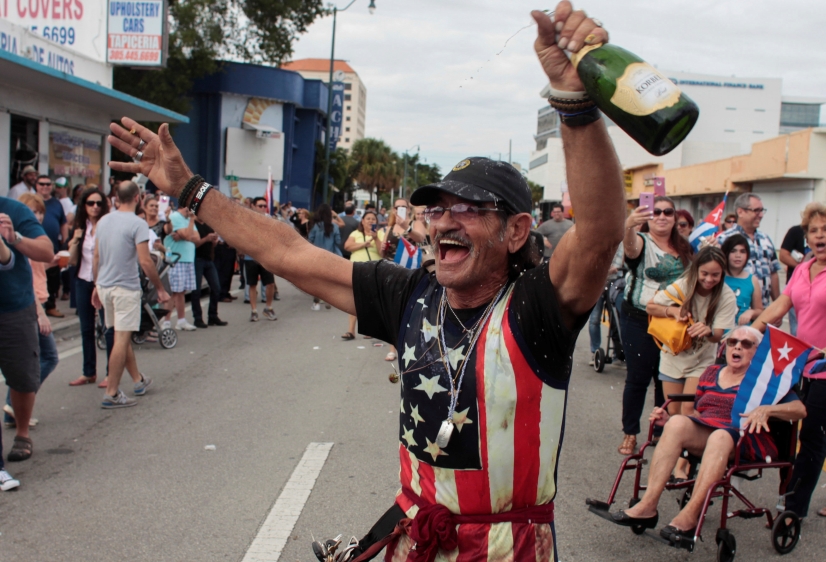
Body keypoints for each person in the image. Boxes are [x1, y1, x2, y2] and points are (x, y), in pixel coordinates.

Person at [105, 5, 620, 556]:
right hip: (414, 537)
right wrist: (190, 191)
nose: (444, 220)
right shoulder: (411, 295)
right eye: (436, 209)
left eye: (469, 208)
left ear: (517, 231)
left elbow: (599, 232)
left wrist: (574, 100)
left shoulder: (537, 308)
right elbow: (289, 253)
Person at [610, 326, 806, 540]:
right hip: (710, 430)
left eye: (746, 343)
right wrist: (669, 422)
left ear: (757, 352)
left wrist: (768, 409)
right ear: (726, 347)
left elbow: (800, 410)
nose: (737, 346)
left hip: (742, 437)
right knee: (676, 423)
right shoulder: (712, 372)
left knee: (719, 436)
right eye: (732, 342)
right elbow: (698, 413)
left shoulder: (764, 381)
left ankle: (691, 517)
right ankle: (647, 505)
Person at [752, 202, 826, 518]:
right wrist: (751, 332)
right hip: (803, 363)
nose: (819, 236)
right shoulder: (803, 268)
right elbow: (782, 304)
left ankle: (792, 509)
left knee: (812, 434)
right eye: (813, 230)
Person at [619, 196, 693, 455]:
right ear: (649, 217)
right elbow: (629, 249)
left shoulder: (685, 247)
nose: (662, 216)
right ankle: (630, 433)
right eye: (656, 212)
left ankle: (663, 431)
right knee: (638, 378)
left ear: (675, 218)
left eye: (668, 212)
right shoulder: (642, 241)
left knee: (667, 378)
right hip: (639, 319)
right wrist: (629, 225)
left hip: (673, 322)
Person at [91, 181, 169, 409]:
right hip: (125, 288)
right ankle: (112, 393)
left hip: (105, 286)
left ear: (116, 197)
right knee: (121, 339)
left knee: (119, 338)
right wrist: (161, 288)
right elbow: (145, 260)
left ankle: (138, 380)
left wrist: (96, 285)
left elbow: (96, 256)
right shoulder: (138, 223)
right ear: (138, 198)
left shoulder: (104, 220)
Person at [0, 192, 56, 480]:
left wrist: (15, 238)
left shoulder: (13, 210)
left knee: (22, 377)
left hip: (14, 309)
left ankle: (22, 433)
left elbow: (47, 252)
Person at [647, 247, 737, 415]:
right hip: (673, 355)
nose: (709, 279)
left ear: (722, 273)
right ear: (696, 269)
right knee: (673, 410)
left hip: (701, 360)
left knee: (689, 409)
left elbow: (717, 336)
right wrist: (673, 311)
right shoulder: (683, 285)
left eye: (715, 275)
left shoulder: (726, 296)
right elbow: (650, 307)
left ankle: (689, 440)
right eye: (704, 273)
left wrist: (708, 331)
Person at [66, 188, 115, 387]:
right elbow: (71, 260)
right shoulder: (81, 227)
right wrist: (76, 238)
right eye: (90, 203)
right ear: (83, 206)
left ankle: (111, 373)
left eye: (98, 203)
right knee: (86, 328)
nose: (95, 207)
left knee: (108, 327)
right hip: (82, 280)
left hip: (103, 281)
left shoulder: (108, 226)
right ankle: (88, 372)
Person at [378, 199, 428, 361]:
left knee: (413, 310)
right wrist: (382, 246)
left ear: (408, 209)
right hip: (392, 273)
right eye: (397, 207)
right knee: (393, 310)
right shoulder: (390, 228)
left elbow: (420, 238)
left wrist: (407, 225)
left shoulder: (415, 223)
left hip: (411, 273)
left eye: (403, 207)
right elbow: (381, 252)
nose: (400, 209)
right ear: (393, 210)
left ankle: (415, 345)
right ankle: (393, 346)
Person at [716, 193, 781, 307]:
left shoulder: (766, 239)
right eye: (756, 210)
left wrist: (777, 306)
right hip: (735, 311)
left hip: (763, 311)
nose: (761, 215)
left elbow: (773, 273)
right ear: (740, 212)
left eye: (762, 211)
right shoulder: (723, 239)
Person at [341, 210, 381, 339]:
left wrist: (376, 238)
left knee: (371, 300)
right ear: (362, 221)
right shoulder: (356, 233)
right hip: (356, 269)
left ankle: (370, 329)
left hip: (374, 270)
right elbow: (347, 246)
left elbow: (382, 252)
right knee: (355, 299)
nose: (370, 221)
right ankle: (351, 330)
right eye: (368, 218)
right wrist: (364, 244)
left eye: (373, 219)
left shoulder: (380, 234)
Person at [35, 175, 68, 318]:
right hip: (34, 246)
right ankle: (38, 306)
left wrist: (65, 241)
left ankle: (51, 306)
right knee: (37, 277)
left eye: (48, 184)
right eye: (41, 184)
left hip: (53, 245)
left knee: (53, 279)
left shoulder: (56, 203)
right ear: (37, 185)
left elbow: (63, 222)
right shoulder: (32, 201)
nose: (45, 187)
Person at [163, 205, 200, 330]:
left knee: (181, 292)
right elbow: (189, 236)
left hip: (187, 259)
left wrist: (185, 234)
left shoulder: (188, 219)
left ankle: (181, 320)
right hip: (175, 259)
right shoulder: (176, 217)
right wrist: (190, 224)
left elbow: (196, 237)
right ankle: (166, 322)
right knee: (173, 292)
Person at [589, 243, 623, 362]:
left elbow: (619, 264)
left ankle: (618, 353)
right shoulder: (596, 241)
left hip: (615, 284)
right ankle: (595, 351)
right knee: (594, 319)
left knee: (615, 320)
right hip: (597, 283)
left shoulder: (621, 242)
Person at [245, 197, 278, 322]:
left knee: (270, 284)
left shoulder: (269, 220)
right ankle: (254, 311)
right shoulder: (247, 219)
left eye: (265, 206)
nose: (263, 208)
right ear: (253, 206)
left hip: (266, 258)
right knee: (252, 284)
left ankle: (268, 308)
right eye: (260, 206)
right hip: (251, 257)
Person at [191, 217, 227, 328]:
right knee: (196, 291)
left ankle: (213, 316)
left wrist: (214, 241)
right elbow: (194, 244)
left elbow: (213, 244)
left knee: (216, 288)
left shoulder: (208, 225)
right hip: (197, 259)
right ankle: (197, 318)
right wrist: (206, 239)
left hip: (208, 259)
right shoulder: (193, 225)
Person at [307, 203, 343, 311]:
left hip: (317, 256)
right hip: (331, 256)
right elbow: (338, 241)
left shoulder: (316, 226)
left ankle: (316, 302)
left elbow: (310, 240)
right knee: (329, 280)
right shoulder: (334, 227)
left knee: (317, 280)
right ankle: (328, 300)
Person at [722, 234, 763, 327]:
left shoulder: (752, 280)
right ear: (726, 253)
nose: (738, 255)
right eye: (733, 251)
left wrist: (751, 312)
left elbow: (760, 311)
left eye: (742, 251)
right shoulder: (718, 276)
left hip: (740, 334)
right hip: (717, 333)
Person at [779, 224, 809, 335]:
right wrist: (803, 268)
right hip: (797, 284)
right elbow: (783, 255)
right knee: (797, 327)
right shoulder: (797, 231)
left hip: (820, 287)